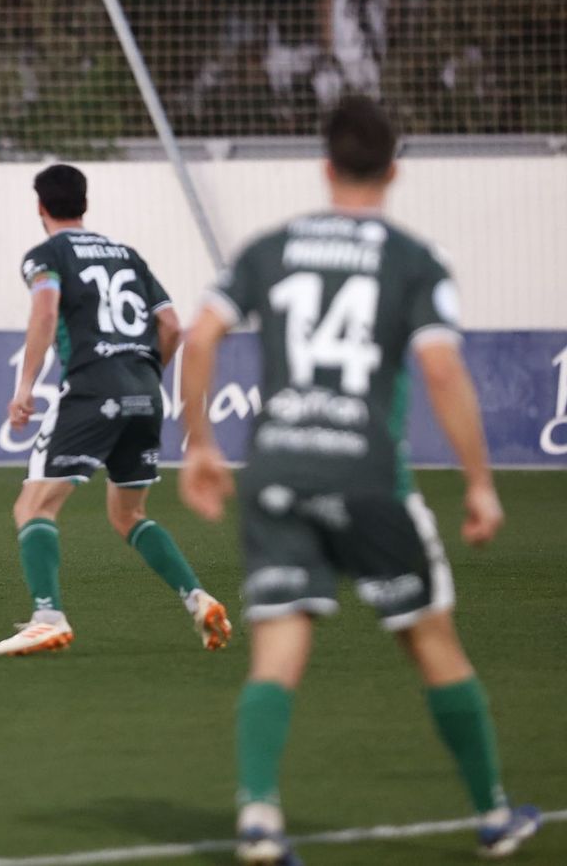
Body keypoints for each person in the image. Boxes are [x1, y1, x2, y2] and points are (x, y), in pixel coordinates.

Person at [176, 96, 541, 864]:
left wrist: (201, 441)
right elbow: (441, 368)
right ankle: (494, 815)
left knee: (278, 647)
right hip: (369, 475)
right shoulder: (414, 258)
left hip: (276, 468)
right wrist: (480, 482)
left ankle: (258, 819)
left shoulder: (269, 247)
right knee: (432, 640)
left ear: (325, 164)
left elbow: (201, 336)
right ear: (394, 169)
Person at [0, 163, 232, 655]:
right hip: (145, 391)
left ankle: (47, 616)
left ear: (40, 207)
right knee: (129, 514)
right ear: (85, 203)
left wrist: (25, 387)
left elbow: (46, 310)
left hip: (92, 388)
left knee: (33, 505)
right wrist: (140, 378)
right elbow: (172, 327)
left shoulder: (46, 254)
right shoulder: (127, 255)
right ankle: (198, 598)